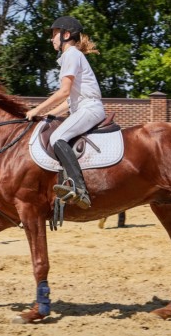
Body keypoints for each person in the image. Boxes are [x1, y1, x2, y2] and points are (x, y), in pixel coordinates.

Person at [26, 16, 106, 209]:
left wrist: (37, 108)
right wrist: (49, 115)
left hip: (89, 108)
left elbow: (64, 92)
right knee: (56, 131)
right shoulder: (71, 56)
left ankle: (80, 189)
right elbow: (69, 103)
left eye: (54, 34)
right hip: (83, 107)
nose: (52, 39)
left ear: (66, 35)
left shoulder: (71, 54)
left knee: (57, 138)